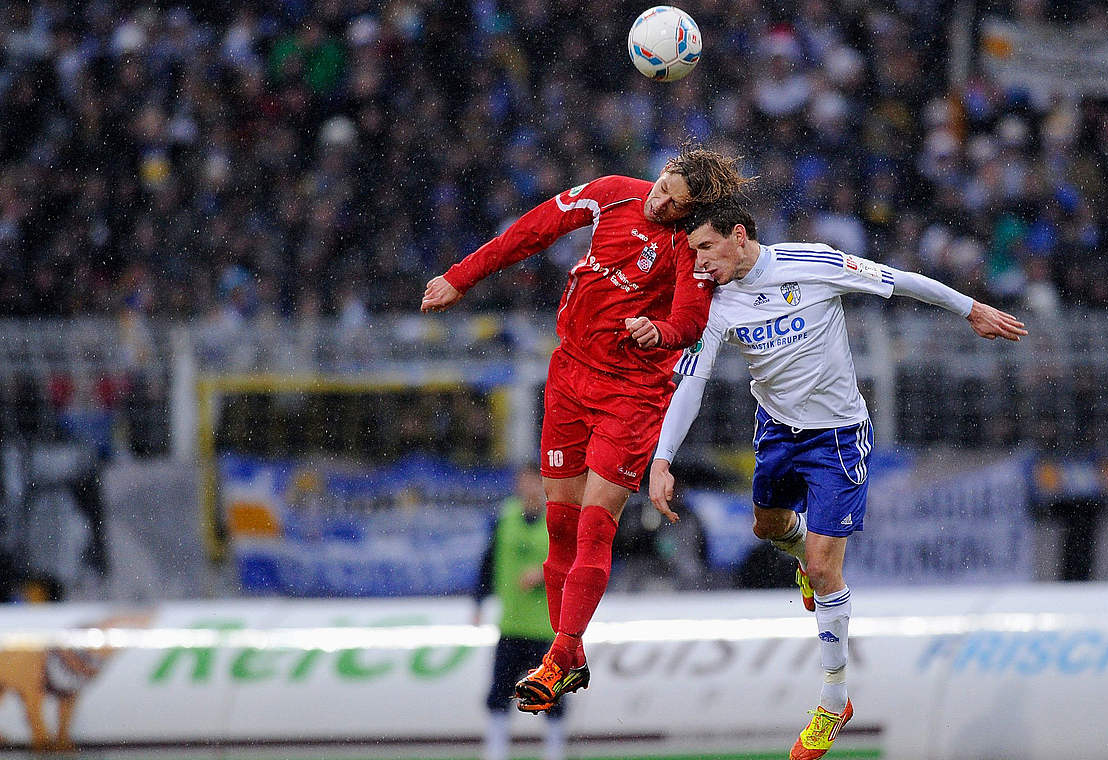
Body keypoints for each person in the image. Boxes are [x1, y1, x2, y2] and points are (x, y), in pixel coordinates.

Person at [648, 198, 1025, 760]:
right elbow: (692, 383)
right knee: (767, 527)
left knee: (827, 567)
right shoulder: (715, 302)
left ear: (738, 234)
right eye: (692, 251)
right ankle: (800, 549)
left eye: (705, 247)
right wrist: (662, 458)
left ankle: (833, 699)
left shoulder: (812, 263)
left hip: (837, 437)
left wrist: (968, 308)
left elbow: (897, 281)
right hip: (777, 432)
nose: (697, 261)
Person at [421, 148, 749, 712]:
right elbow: (533, 230)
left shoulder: (690, 245)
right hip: (570, 376)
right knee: (561, 527)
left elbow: (693, 321)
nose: (662, 202)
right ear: (664, 169)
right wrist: (461, 277)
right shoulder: (616, 190)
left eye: (676, 204)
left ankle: (560, 655)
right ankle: (567, 658)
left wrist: (660, 331)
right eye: (665, 187)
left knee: (598, 524)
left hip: (632, 393)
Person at [473, 465, 565, 760]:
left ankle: (554, 751)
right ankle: (496, 752)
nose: (529, 488)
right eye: (524, 481)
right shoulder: (505, 517)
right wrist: (478, 602)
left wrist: (543, 574)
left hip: (546, 626)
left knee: (551, 694)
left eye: (535, 481)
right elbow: (488, 562)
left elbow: (572, 563)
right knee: (499, 692)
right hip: (511, 622)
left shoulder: (558, 519)